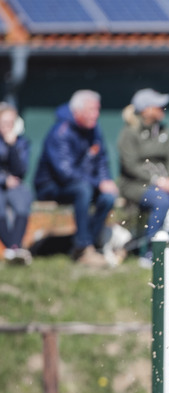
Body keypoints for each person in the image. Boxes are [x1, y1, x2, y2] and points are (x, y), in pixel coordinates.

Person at [34, 89, 119, 267]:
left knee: (108, 197)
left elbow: (101, 160)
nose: (96, 115)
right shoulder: (60, 132)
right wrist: (98, 183)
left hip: (83, 184)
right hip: (51, 186)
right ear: (77, 111)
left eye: (97, 110)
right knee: (83, 190)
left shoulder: (94, 129)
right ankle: (83, 246)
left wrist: (106, 181)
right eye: (91, 110)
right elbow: (65, 173)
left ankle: (90, 244)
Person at [117, 88, 169, 263]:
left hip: (165, 183)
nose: (163, 109)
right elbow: (130, 166)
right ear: (146, 109)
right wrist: (158, 180)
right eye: (159, 106)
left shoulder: (164, 130)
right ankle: (150, 251)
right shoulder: (129, 133)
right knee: (162, 200)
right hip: (135, 185)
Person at [0, 103, 33, 265]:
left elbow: (21, 170)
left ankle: (13, 248)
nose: (7, 127)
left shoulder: (21, 143)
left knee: (22, 200)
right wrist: (4, 180)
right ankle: (12, 249)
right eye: (4, 123)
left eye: (10, 123)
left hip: (14, 185)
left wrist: (12, 147)